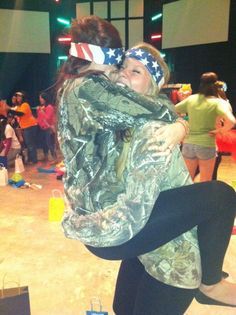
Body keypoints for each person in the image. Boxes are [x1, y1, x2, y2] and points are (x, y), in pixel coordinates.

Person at [56, 16, 236, 315]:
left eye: (135, 71)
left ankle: (210, 283)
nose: (122, 76)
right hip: (133, 239)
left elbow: (137, 209)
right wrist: (181, 123)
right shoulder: (109, 109)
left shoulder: (148, 129)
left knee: (222, 195)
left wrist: (178, 124)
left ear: (154, 83)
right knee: (122, 308)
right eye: (121, 68)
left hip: (169, 263)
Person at [175, 72, 236, 182]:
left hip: (189, 144)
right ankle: (201, 199)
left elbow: (174, 109)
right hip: (206, 144)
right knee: (205, 181)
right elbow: (231, 121)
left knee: (187, 180)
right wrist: (220, 130)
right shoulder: (218, 102)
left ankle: (187, 199)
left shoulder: (192, 99)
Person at [37, 92, 57, 164]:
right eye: (40, 98)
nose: (40, 99)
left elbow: (48, 118)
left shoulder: (49, 107)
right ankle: (47, 156)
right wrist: (39, 110)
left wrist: (42, 111)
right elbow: (40, 118)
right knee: (46, 143)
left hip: (49, 128)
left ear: (45, 99)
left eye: (41, 98)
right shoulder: (43, 107)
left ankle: (55, 158)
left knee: (50, 143)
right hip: (43, 128)